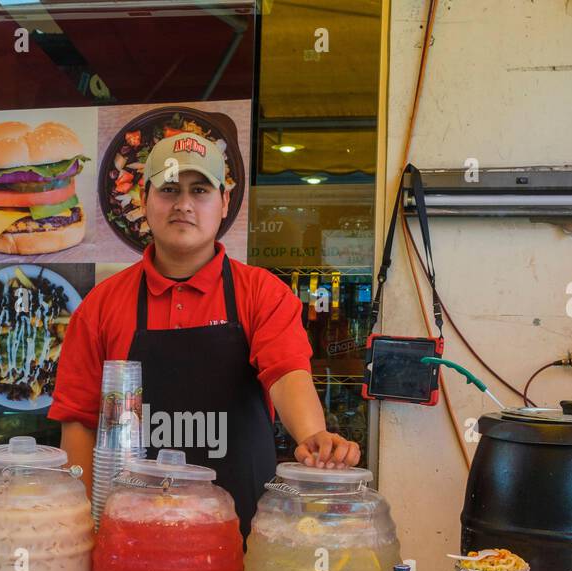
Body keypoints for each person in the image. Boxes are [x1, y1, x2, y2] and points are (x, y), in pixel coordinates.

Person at [49, 131, 361, 537]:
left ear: (224, 203)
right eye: (169, 189)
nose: (183, 204)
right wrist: (84, 531)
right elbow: (79, 421)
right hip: (131, 541)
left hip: (240, 538)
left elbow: (286, 374)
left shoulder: (262, 293)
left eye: (200, 190)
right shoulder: (100, 305)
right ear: (144, 199)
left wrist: (313, 436)